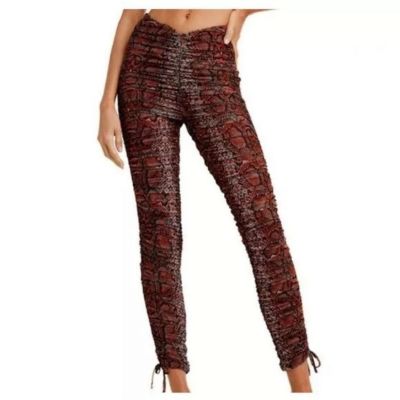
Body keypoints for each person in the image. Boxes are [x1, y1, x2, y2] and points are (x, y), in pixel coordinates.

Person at [97, 9, 321, 393]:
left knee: (261, 221)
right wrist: (106, 102)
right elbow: (131, 12)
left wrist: (245, 10)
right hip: (146, 64)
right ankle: (178, 385)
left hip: (211, 61)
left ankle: (302, 386)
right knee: (160, 233)